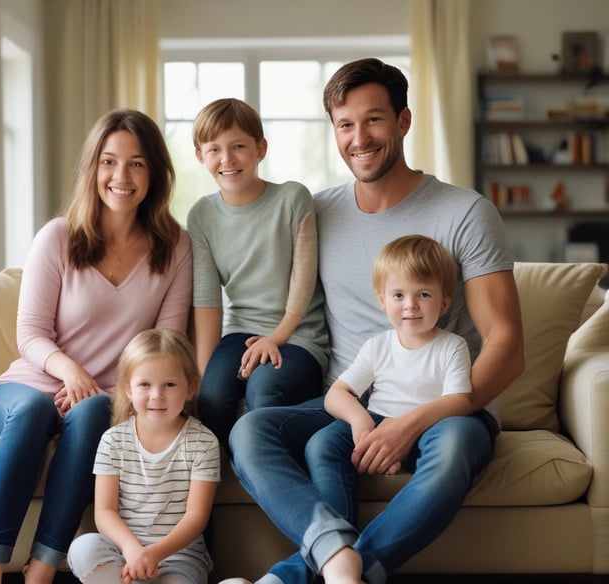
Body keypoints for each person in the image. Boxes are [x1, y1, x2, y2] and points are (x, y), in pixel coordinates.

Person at [228, 57, 525, 584]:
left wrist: (413, 422)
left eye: (374, 120)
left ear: (403, 121)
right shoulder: (316, 214)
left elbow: (507, 345)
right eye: (345, 124)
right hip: (350, 404)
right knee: (249, 431)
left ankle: (322, 572)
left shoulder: (465, 212)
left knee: (456, 445)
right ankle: (335, 556)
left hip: (446, 406)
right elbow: (247, 269)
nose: (359, 138)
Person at [0, 109, 193, 584]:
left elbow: (168, 348)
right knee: (32, 411)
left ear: (155, 172)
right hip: (27, 387)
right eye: (109, 161)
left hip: (102, 399)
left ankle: (40, 570)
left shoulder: (175, 246)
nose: (121, 176)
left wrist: (103, 393)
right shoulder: (58, 236)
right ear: (93, 168)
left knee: (93, 413)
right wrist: (71, 372)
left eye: (136, 163)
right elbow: (30, 333)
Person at [187, 97, 329, 444]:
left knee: (263, 391)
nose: (227, 158)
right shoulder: (201, 215)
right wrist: (203, 376)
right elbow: (207, 301)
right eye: (214, 149)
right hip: (239, 332)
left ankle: (267, 464)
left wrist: (275, 338)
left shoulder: (292, 198)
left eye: (238, 146)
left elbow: (303, 281)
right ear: (200, 156)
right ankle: (224, 469)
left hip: (298, 335)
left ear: (260, 149)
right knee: (213, 397)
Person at [67, 328, 220, 584]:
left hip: (180, 559)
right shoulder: (113, 440)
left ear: (190, 389)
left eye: (169, 384)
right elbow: (104, 511)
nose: (156, 395)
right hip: (125, 554)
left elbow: (196, 516)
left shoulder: (204, 442)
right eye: (145, 385)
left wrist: (153, 554)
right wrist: (133, 551)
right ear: (129, 390)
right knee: (83, 549)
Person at [323, 234, 472, 480]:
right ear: (382, 300)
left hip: (428, 429)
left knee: (447, 447)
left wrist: (407, 429)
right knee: (322, 445)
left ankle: (398, 462)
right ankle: (331, 509)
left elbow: (459, 401)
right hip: (376, 423)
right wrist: (361, 422)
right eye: (399, 295)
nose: (410, 305)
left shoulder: (452, 346)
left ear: (444, 303)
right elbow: (336, 394)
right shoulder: (377, 346)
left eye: (424, 295)